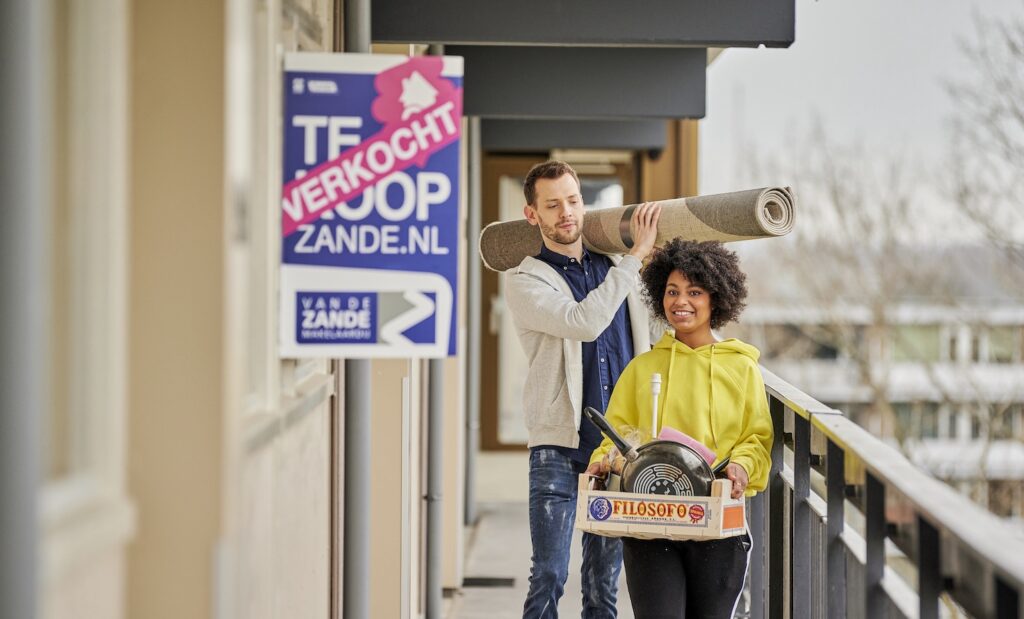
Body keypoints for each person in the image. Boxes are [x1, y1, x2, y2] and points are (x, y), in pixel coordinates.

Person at [504, 160, 662, 618]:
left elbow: (652, 330)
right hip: (558, 441)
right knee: (550, 575)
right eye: (552, 205)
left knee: (602, 586)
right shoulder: (525, 280)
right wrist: (634, 260)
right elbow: (585, 322)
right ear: (532, 214)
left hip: (617, 445)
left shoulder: (616, 270)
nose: (566, 212)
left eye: (573, 201)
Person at [587, 238, 773, 619]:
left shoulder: (742, 368)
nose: (680, 301)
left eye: (694, 291)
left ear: (715, 299)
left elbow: (755, 438)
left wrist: (741, 466)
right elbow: (616, 435)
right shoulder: (641, 368)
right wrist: (604, 460)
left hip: (717, 526)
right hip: (650, 525)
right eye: (672, 291)